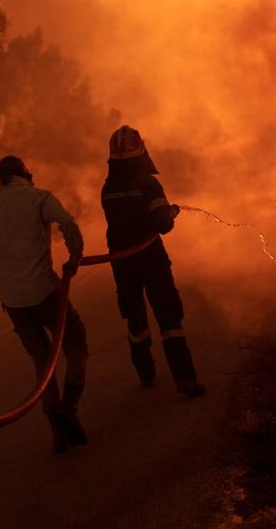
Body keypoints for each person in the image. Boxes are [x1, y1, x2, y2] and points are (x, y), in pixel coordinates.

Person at [0, 155, 90, 453]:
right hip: (44, 291)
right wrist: (75, 255)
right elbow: (67, 223)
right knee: (75, 343)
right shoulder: (39, 197)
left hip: (12, 300)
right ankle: (68, 409)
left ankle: (57, 433)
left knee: (42, 362)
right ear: (25, 175)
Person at [101, 126, 205, 397]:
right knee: (169, 316)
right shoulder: (148, 183)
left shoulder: (108, 187)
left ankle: (146, 374)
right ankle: (185, 379)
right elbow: (162, 225)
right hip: (151, 259)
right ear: (141, 150)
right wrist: (170, 212)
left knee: (135, 318)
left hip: (122, 264)